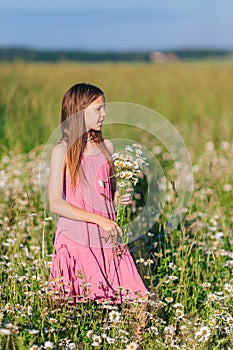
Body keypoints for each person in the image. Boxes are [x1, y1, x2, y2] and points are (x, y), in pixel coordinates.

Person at [48, 83, 148, 306]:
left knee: (139, 300)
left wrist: (119, 198)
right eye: (97, 109)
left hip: (107, 237)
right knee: (70, 309)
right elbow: (55, 203)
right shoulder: (62, 151)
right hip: (76, 238)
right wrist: (100, 220)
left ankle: (133, 342)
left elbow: (104, 195)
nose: (104, 114)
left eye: (104, 108)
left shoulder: (107, 147)